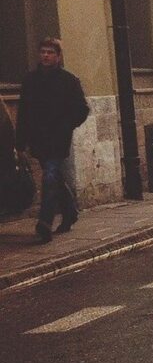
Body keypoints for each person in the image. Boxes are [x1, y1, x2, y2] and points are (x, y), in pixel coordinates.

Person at [17, 37, 90, 243]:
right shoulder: (30, 80)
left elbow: (82, 110)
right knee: (55, 177)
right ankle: (70, 212)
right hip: (38, 139)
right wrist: (20, 143)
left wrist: (66, 126)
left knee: (49, 176)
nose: (46, 56)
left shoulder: (68, 80)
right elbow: (23, 113)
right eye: (43, 52)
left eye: (50, 52)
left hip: (58, 139)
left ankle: (45, 222)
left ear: (58, 56)